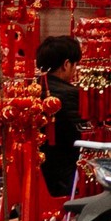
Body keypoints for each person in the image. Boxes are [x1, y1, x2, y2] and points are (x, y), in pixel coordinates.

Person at [36, 35, 84, 198]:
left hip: (36, 171)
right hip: (62, 176)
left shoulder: (30, 89)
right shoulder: (70, 94)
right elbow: (79, 135)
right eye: (74, 65)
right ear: (66, 64)